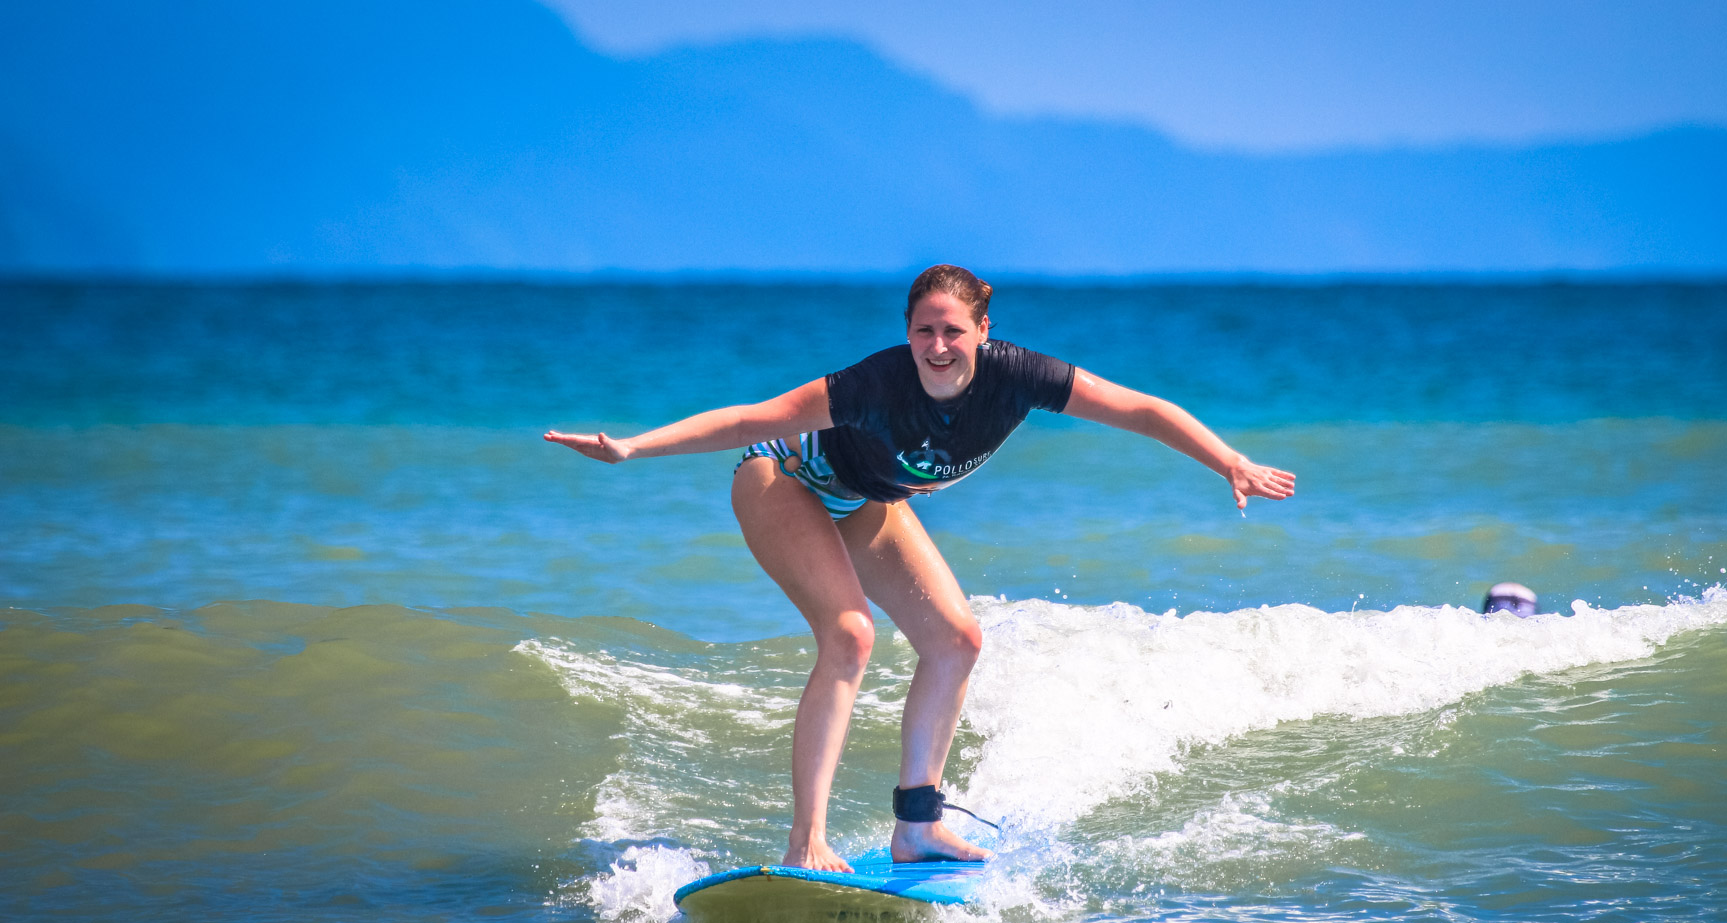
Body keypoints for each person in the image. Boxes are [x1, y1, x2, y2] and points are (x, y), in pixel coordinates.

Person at [545, 265, 1295, 872]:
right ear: (906, 333)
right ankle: (806, 840)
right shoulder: (873, 383)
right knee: (849, 636)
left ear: (982, 332)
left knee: (957, 640)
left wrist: (1228, 461)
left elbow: (1139, 410)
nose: (938, 346)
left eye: (953, 331)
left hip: (867, 498)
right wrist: (633, 449)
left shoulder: (1019, 376)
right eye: (923, 330)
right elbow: (751, 419)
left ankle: (917, 827)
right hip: (782, 479)